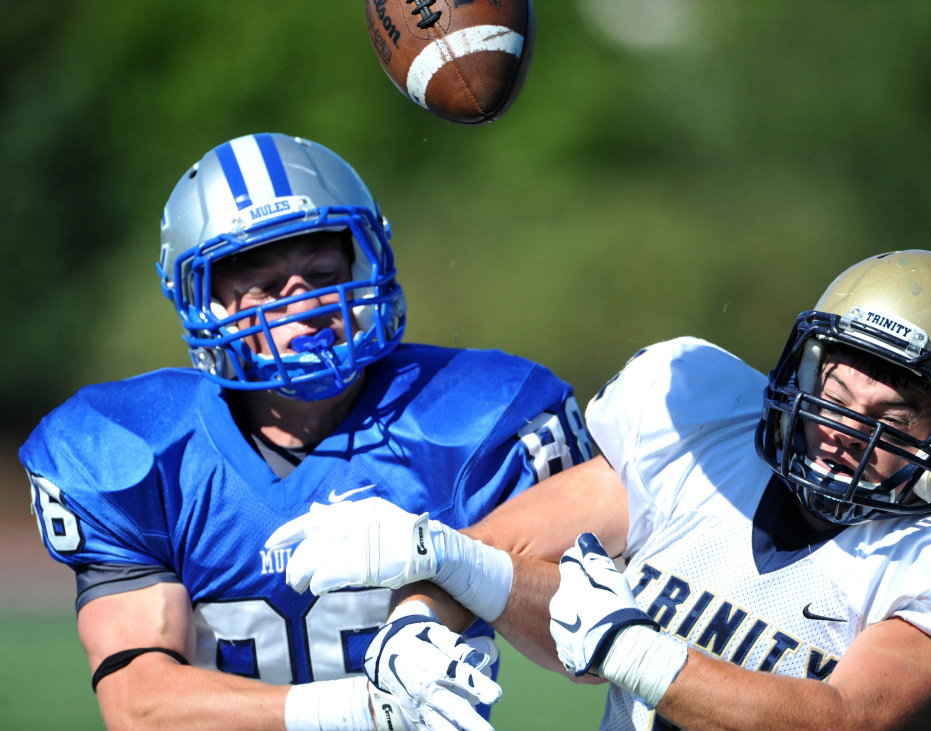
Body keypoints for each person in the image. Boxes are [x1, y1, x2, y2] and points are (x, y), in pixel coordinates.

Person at [276, 249, 931, 730]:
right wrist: (423, 596)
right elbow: (501, 548)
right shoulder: (705, 439)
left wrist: (631, 650)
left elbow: (843, 718)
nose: (846, 430)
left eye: (891, 417)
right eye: (836, 394)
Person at [18, 132, 593, 731]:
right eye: (264, 286)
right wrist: (367, 711)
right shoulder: (136, 449)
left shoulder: (479, 417)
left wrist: (460, 562)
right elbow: (139, 706)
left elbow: (592, 648)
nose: (305, 304)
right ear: (204, 302)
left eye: (321, 272)